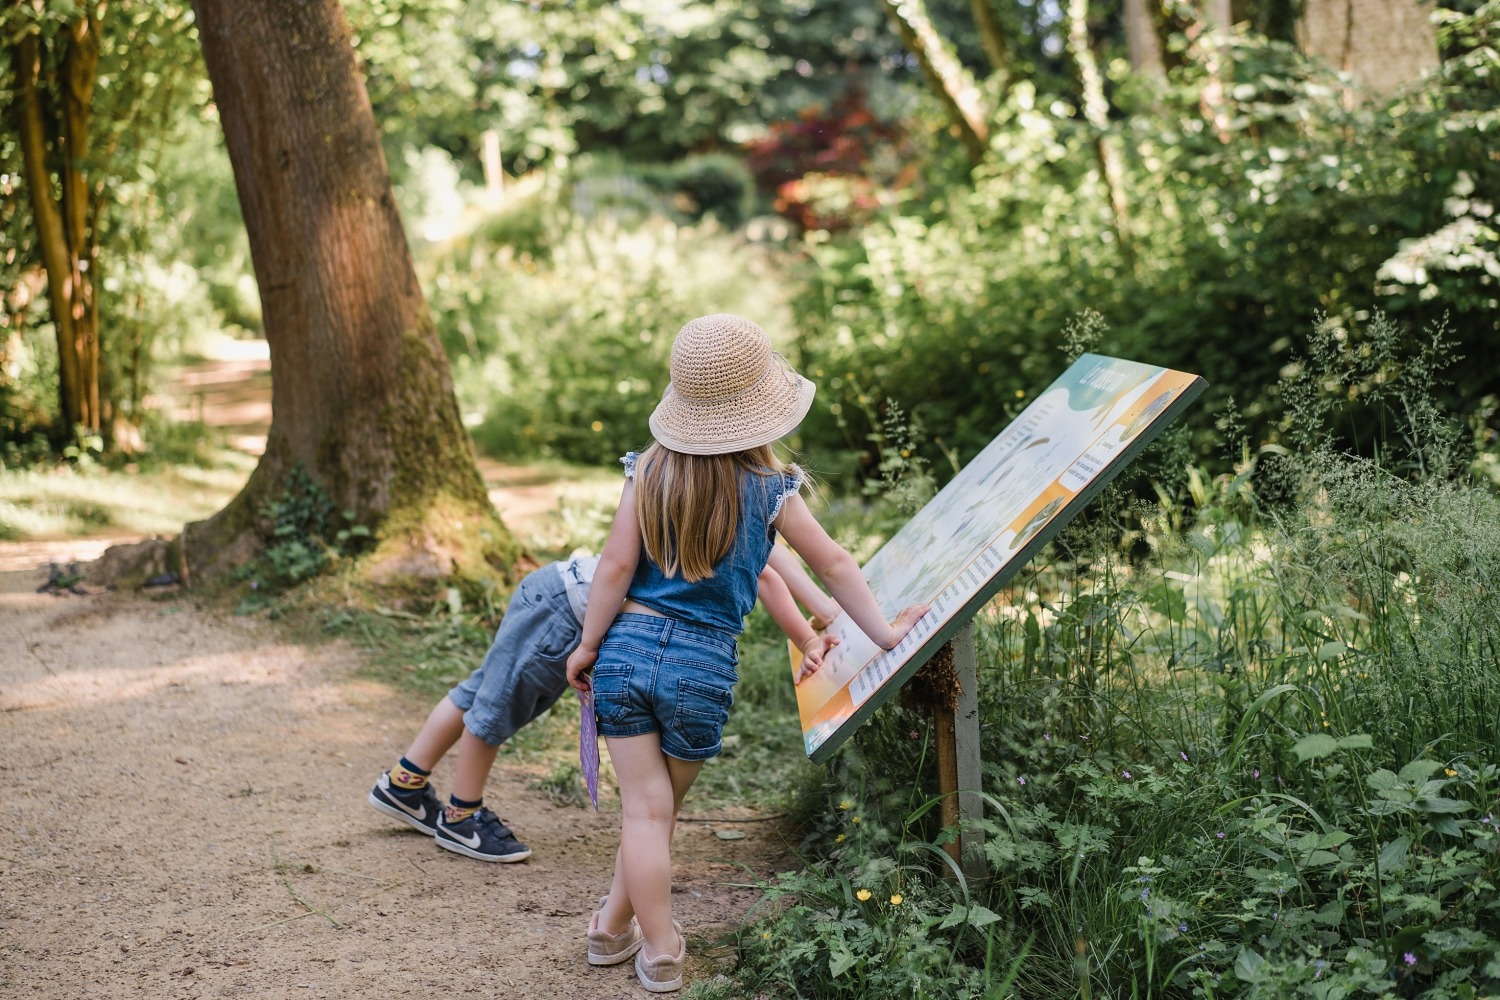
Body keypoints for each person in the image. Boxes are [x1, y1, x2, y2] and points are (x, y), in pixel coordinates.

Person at [565, 314, 929, 993]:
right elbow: (835, 563)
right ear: (761, 406)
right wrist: (884, 632)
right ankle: (662, 948)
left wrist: (587, 645)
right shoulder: (772, 490)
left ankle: (612, 929)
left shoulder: (645, 473)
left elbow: (614, 568)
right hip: (699, 669)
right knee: (656, 812)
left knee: (645, 811)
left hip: (625, 651)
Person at [367, 547, 841, 863]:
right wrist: (810, 628)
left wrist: (821, 612)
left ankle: (405, 783)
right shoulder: (731, 501)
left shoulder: (702, 486)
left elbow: (776, 561)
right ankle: (460, 818)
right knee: (493, 709)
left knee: (479, 691)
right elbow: (768, 573)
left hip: (556, 593)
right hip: (566, 611)